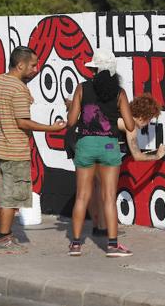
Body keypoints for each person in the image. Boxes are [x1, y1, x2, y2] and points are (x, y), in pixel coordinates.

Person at [0, 46, 66, 254]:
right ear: (20, 65)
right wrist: (52, 128)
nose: (36, 69)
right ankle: (4, 239)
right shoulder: (19, 89)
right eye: (33, 65)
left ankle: (4, 235)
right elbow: (23, 123)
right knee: (12, 198)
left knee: (1, 193)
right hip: (14, 151)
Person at [66, 48, 135, 257]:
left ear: (94, 69)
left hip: (85, 145)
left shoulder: (81, 88)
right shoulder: (119, 93)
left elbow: (71, 122)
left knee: (82, 196)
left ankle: (76, 244)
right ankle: (112, 245)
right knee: (108, 197)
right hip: (109, 147)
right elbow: (130, 126)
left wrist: (72, 108)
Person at [87, 94, 165, 236]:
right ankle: (108, 229)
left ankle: (99, 227)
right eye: (149, 120)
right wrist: (157, 155)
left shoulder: (118, 114)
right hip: (103, 156)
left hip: (88, 149)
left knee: (98, 191)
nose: (147, 124)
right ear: (143, 117)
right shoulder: (129, 125)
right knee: (108, 193)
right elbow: (137, 155)